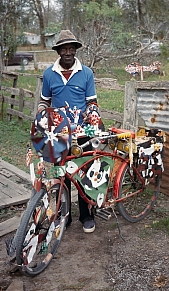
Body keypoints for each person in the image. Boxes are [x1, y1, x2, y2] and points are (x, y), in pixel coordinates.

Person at [37, 30, 103, 233]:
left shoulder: (86, 73)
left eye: (71, 48)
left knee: (84, 174)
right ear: (58, 51)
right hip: (58, 133)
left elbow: (92, 101)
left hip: (82, 132)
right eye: (64, 49)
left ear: (75, 50)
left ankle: (86, 216)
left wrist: (91, 112)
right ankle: (64, 215)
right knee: (61, 174)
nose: (68, 52)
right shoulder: (49, 74)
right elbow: (44, 101)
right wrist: (41, 112)